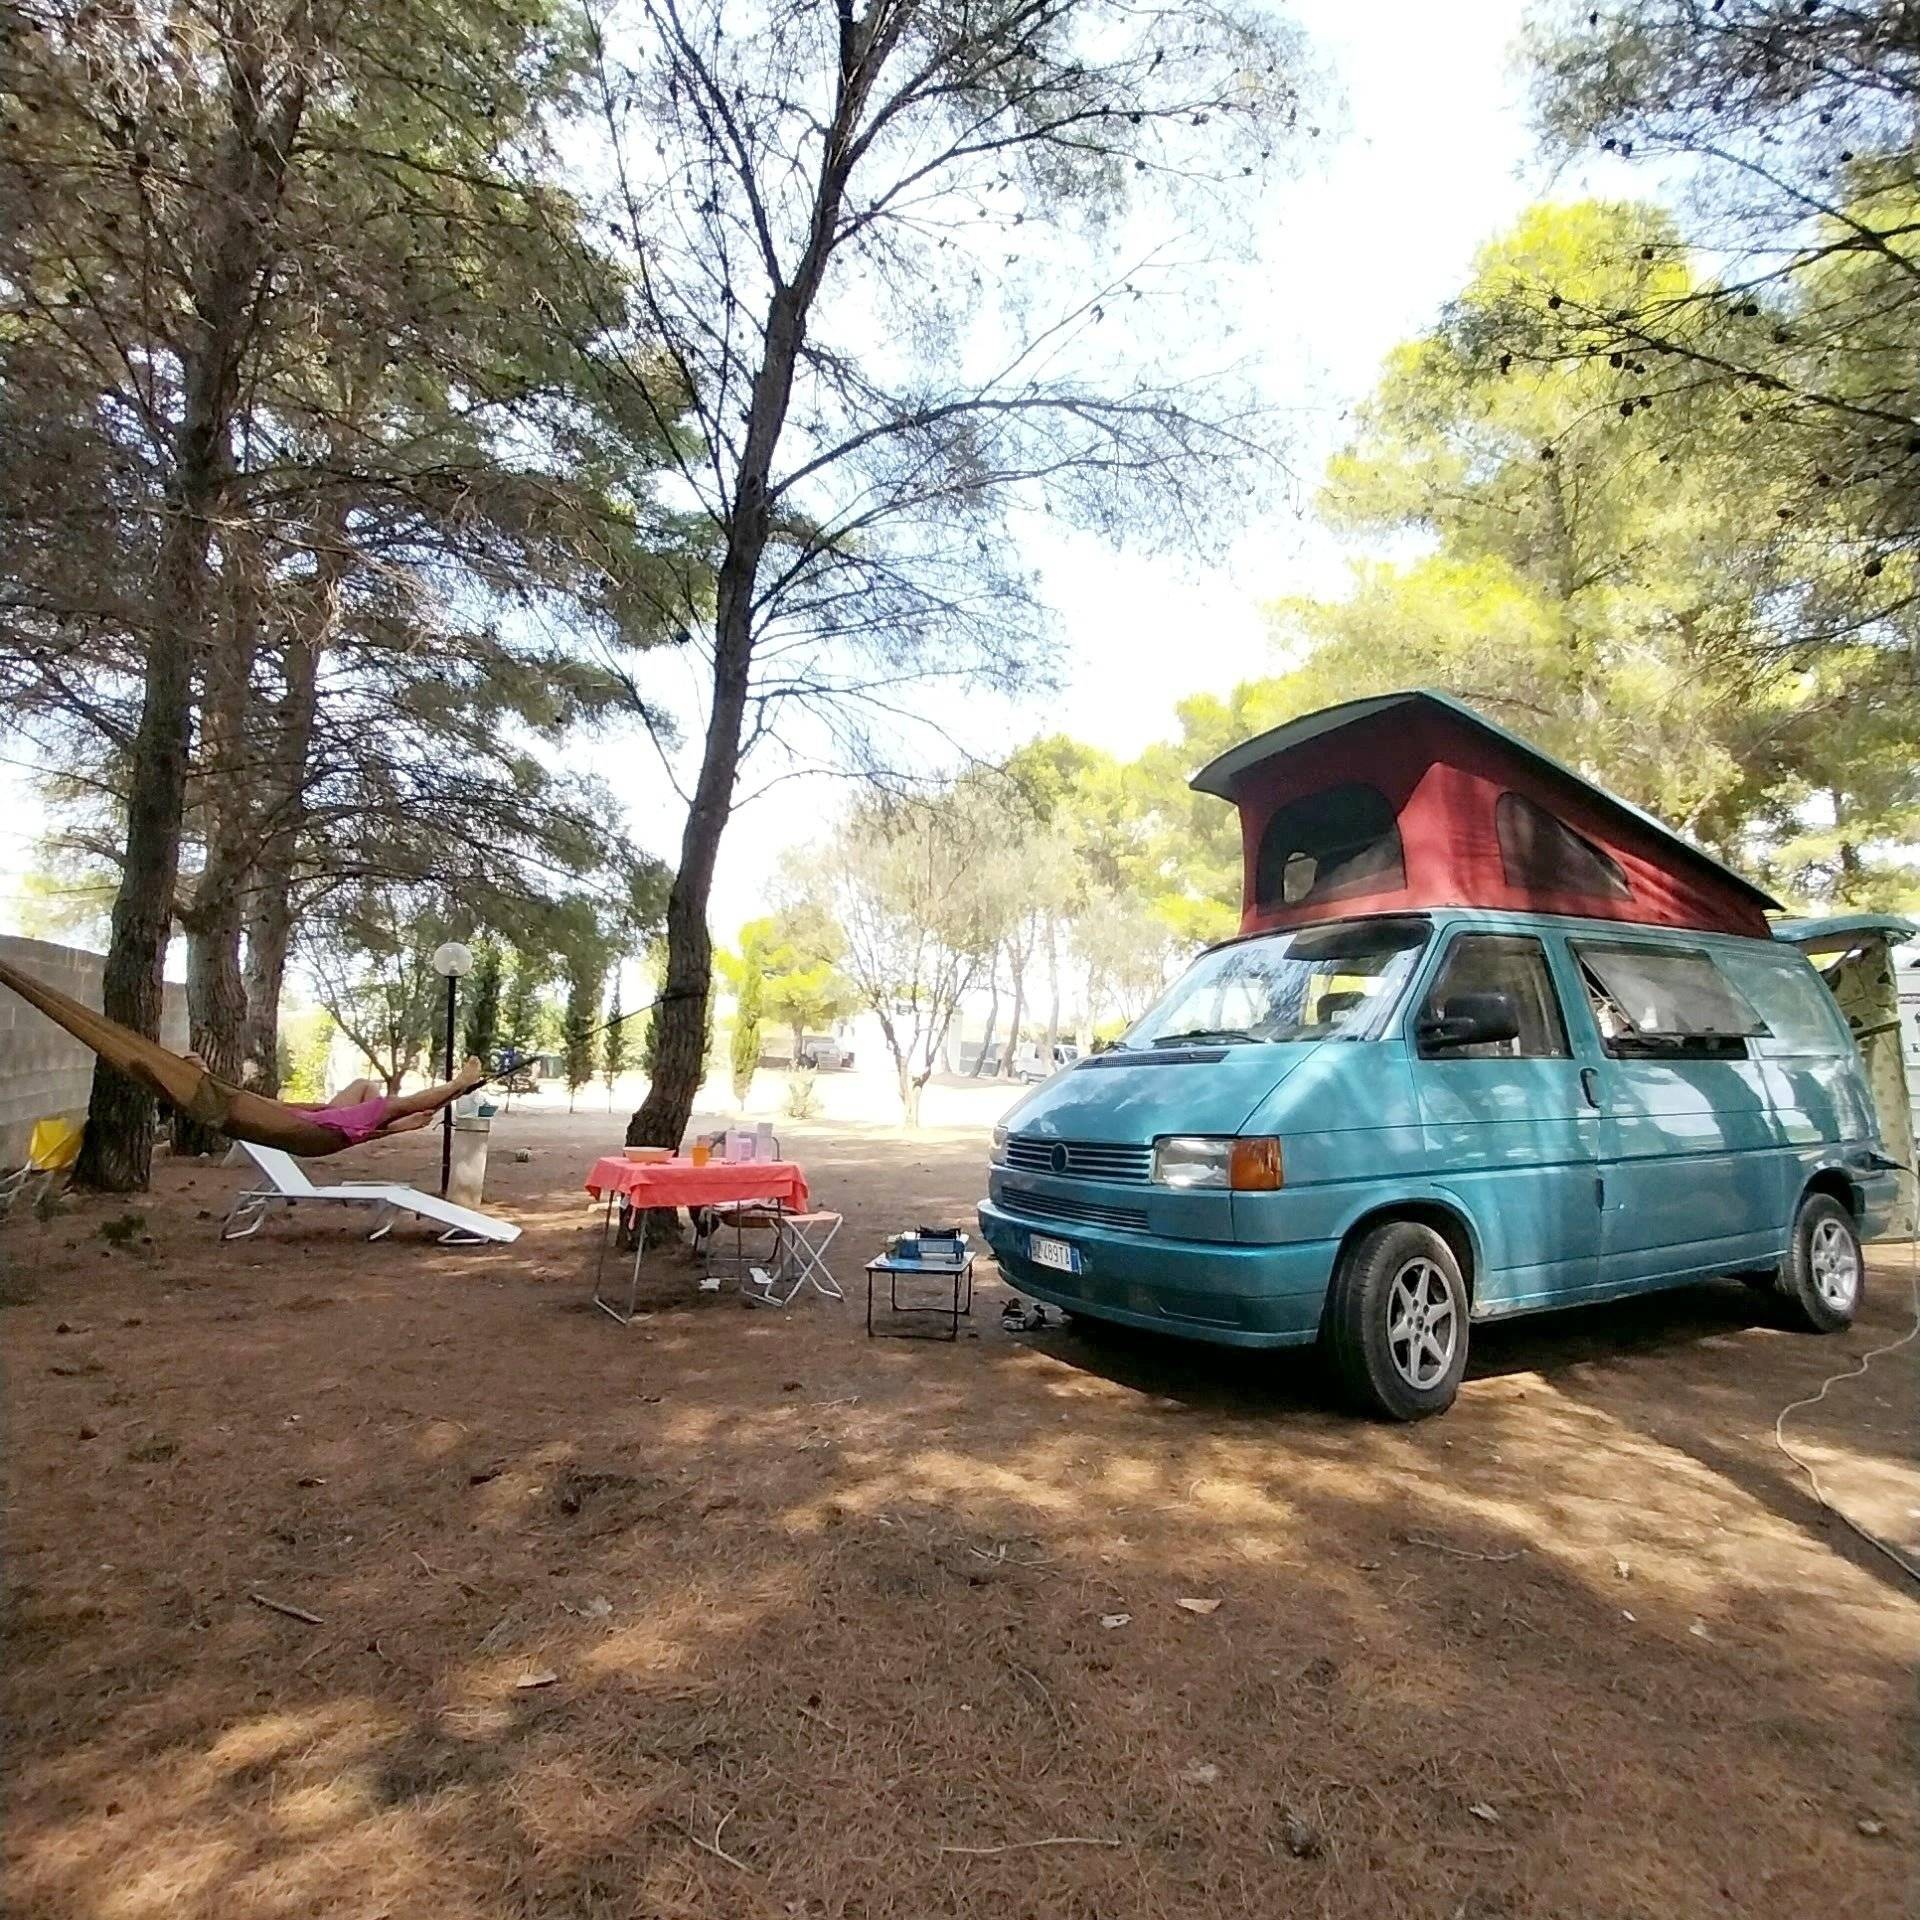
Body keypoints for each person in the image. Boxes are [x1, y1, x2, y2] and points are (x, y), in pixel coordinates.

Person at [188, 1055, 489, 1149]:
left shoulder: (237, 1107)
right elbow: (267, 1105)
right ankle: (458, 1084)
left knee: (364, 1086)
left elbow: (278, 1107)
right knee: (396, 1104)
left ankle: (392, 1123)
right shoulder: (237, 1103)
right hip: (317, 1127)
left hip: (316, 1120)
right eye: (196, 1067)